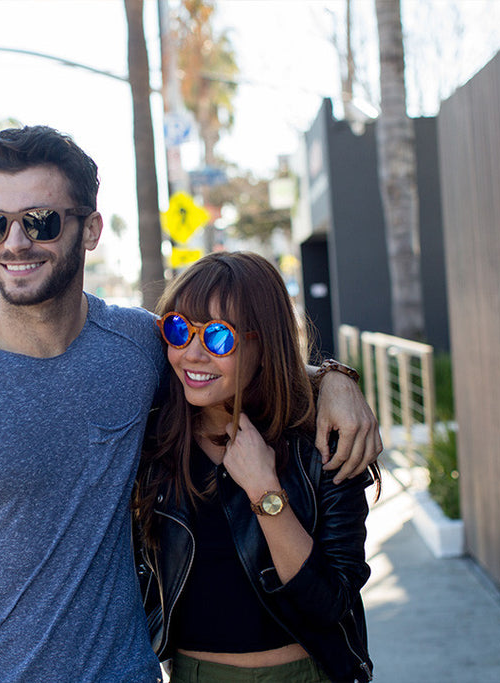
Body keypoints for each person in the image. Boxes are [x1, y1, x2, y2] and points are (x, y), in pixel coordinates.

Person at [0, 126, 381, 682]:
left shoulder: (139, 345)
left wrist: (333, 381)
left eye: (40, 220)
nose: (13, 242)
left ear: (90, 230)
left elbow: (235, 361)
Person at [133, 251, 381, 683]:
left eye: (218, 337)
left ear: (262, 342)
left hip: (305, 674)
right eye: (178, 330)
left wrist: (266, 495)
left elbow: (330, 602)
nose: (192, 354)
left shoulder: (322, 441)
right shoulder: (151, 440)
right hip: (194, 675)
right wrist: (335, 374)